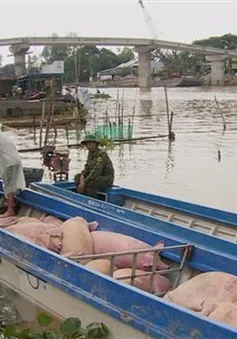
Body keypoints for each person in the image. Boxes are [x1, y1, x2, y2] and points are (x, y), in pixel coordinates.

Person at [75, 134, 114, 198]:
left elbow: (96, 172)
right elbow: (87, 167)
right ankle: (82, 195)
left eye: (89, 144)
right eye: (86, 144)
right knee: (77, 177)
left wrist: (83, 182)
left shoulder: (101, 154)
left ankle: (93, 200)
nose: (87, 146)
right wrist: (82, 176)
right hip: (95, 176)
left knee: (91, 183)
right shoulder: (90, 153)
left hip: (106, 178)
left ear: (95, 144)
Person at [0, 133, 26, 217]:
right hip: (12, 160)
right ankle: (12, 203)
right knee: (9, 183)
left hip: (9, 162)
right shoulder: (3, 136)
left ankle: (10, 210)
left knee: (9, 185)